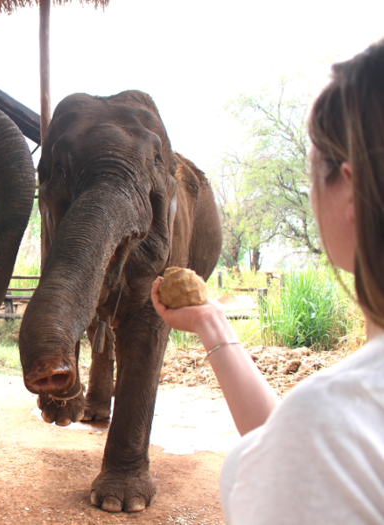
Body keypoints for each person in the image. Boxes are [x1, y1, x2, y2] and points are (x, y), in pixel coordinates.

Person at [151, 39, 384, 524]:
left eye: (311, 168)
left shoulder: (329, 425)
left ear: (352, 193)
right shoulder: (336, 427)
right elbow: (306, 447)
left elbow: (315, 448)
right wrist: (214, 323)